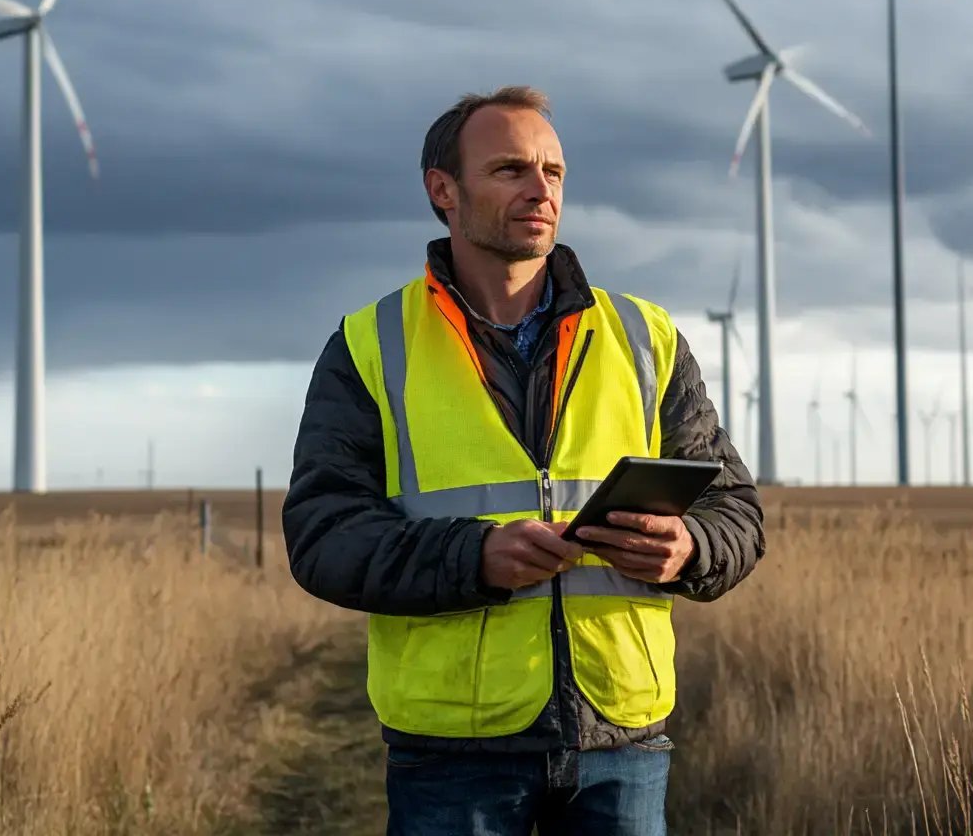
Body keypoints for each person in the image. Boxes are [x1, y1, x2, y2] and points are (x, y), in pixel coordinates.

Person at [283, 85, 765, 836]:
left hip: (622, 740)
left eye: (554, 171)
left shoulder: (645, 337)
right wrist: (474, 556)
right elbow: (323, 537)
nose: (540, 190)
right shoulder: (371, 346)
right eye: (510, 169)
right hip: (453, 751)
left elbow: (735, 510)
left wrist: (689, 547)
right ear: (443, 191)